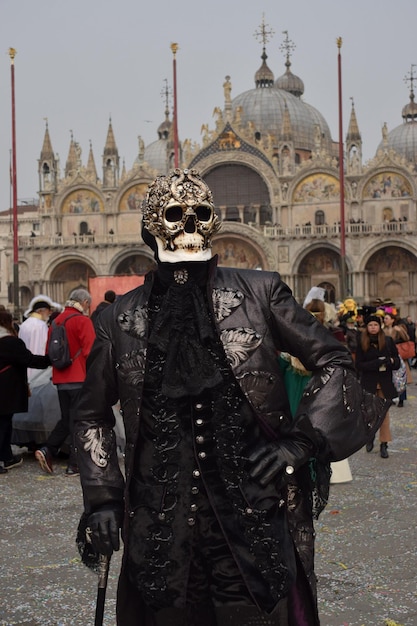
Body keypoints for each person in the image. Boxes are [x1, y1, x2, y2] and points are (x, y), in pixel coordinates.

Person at [74, 169, 389, 626]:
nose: (187, 226)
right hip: (159, 526)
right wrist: (102, 498)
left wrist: (300, 443)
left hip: (253, 517)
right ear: (150, 228)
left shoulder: (259, 293)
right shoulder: (118, 318)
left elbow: (335, 362)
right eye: (175, 216)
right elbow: (91, 415)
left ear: (213, 222)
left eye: (198, 214)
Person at [35, 288, 95, 476]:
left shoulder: (56, 321)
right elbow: (90, 352)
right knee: (79, 421)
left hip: (61, 379)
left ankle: (48, 450)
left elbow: (48, 352)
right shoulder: (83, 321)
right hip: (79, 378)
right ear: (84, 302)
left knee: (67, 419)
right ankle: (74, 465)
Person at [0, 310, 50, 474]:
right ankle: (4, 457)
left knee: (5, 423)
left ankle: (7, 457)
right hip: (6, 389)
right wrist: (51, 360)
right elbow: (29, 359)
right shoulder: (10, 342)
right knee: (4, 424)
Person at [355, 315, 400, 458]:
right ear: (366, 327)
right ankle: (370, 437)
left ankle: (384, 444)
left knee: (384, 415)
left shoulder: (387, 341)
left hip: (385, 384)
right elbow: (358, 365)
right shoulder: (362, 342)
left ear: (379, 326)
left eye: (375, 324)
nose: (373, 327)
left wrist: (388, 361)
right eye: (370, 325)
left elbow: (397, 362)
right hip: (369, 383)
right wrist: (374, 364)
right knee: (370, 413)